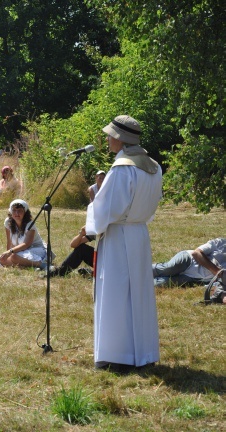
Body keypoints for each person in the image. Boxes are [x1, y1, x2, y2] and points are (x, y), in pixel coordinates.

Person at [86, 115, 162, 370]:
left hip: (119, 235)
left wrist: (90, 226)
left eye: (110, 135)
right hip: (139, 233)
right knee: (138, 294)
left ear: (119, 139)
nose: (107, 139)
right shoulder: (153, 166)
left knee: (116, 293)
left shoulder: (122, 169)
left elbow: (107, 207)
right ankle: (142, 353)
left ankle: (116, 355)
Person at [152, 238, 225, 287]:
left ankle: (141, 283)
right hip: (188, 260)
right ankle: (142, 270)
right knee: (168, 269)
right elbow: (197, 253)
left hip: (195, 277)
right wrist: (216, 270)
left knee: (161, 283)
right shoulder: (220, 242)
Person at [0, 200, 47, 269]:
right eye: (14, 210)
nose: (17, 213)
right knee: (2, 260)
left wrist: (10, 252)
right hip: (22, 251)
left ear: (25, 212)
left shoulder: (30, 224)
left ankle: (42, 265)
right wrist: (7, 254)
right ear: (11, 211)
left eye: (20, 210)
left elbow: (26, 244)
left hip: (36, 249)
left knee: (14, 257)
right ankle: (28, 266)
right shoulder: (7, 222)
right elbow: (9, 241)